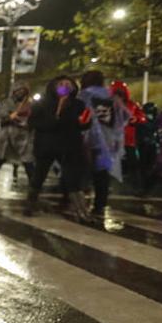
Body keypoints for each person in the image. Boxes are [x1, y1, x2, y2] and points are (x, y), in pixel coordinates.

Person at [26, 75, 92, 220]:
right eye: (61, 85)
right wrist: (57, 113)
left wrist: (84, 122)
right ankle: (30, 203)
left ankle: (80, 210)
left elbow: (83, 125)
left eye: (68, 85)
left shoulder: (78, 104)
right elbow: (35, 123)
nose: (65, 88)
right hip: (47, 146)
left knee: (72, 178)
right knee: (39, 175)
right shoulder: (42, 104)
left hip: (69, 146)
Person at [80, 70, 129, 217]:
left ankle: (76, 201)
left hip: (85, 137)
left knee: (81, 170)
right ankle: (100, 204)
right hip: (107, 140)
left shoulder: (84, 95)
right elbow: (125, 115)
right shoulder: (111, 97)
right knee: (102, 174)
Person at [0, 83, 35, 195]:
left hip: (23, 137)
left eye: (23, 91)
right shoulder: (5, 104)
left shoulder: (30, 105)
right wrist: (9, 118)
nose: (21, 93)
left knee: (28, 161)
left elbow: (33, 120)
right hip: (6, 137)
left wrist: (25, 122)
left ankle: (34, 187)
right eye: (19, 90)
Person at [111, 80, 148, 190]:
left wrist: (135, 119)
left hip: (128, 139)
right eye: (116, 93)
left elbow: (142, 118)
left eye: (120, 93)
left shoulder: (132, 105)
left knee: (133, 164)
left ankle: (137, 187)